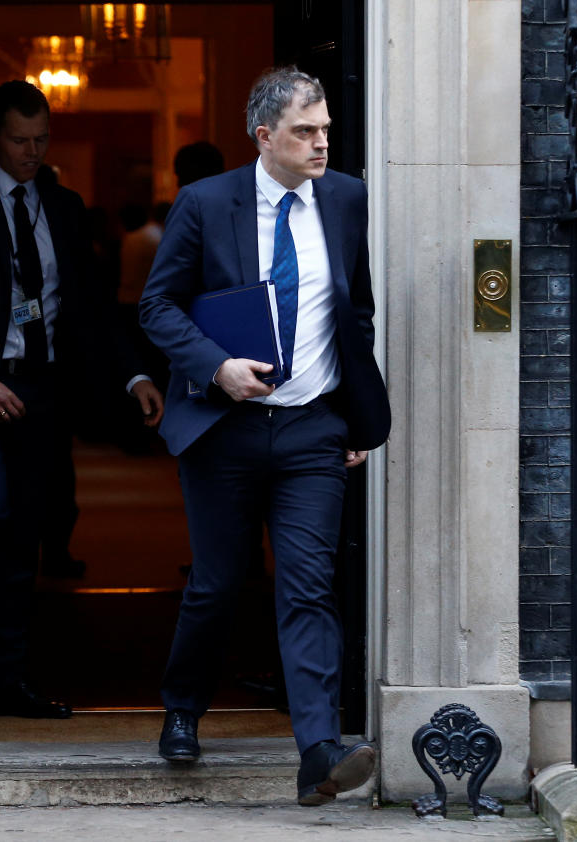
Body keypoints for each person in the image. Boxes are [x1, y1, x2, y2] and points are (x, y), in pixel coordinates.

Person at [138, 68, 391, 805]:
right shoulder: (206, 203)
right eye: (304, 132)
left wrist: (351, 413)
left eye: (324, 131)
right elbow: (157, 308)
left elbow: (357, 312)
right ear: (263, 137)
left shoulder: (345, 198)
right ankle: (182, 709)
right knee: (216, 585)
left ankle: (318, 751)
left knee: (308, 587)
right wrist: (215, 368)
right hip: (224, 431)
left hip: (312, 429)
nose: (320, 144)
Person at [0, 80, 164, 727]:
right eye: (19, 140)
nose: (31, 152)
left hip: (42, 389)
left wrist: (133, 376)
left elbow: (88, 306)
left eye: (41, 141)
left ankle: (11, 676)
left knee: (27, 532)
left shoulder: (62, 206)